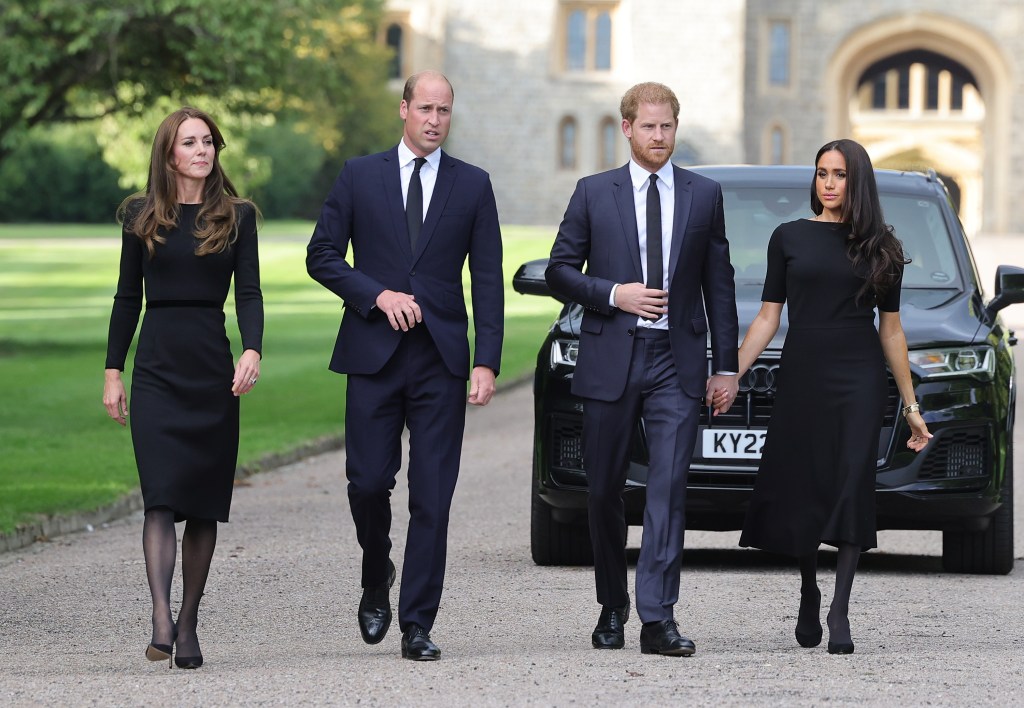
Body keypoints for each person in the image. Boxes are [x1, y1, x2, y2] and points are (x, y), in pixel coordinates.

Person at [306, 70, 503, 661]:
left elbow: (488, 280)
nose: (435, 120)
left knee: (433, 498)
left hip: (440, 360)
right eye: (425, 108)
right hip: (373, 355)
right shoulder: (359, 175)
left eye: (444, 110)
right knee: (368, 484)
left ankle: (417, 622)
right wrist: (376, 295)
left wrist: (486, 360)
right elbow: (321, 255)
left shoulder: (473, 185)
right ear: (404, 109)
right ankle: (376, 571)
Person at [545, 82, 739, 657]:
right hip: (611, 357)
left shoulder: (704, 195)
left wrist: (724, 367)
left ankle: (658, 617)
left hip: (675, 363)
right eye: (648, 126)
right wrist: (613, 294)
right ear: (626, 128)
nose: (659, 137)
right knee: (603, 489)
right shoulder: (592, 193)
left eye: (667, 127)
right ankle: (613, 603)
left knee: (668, 487)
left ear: (676, 128)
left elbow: (719, 286)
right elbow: (559, 270)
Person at [718, 139, 931, 654]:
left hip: (859, 376)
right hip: (804, 373)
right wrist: (729, 374)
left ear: (857, 181)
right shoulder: (788, 237)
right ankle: (809, 589)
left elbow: (892, 331)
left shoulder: (883, 246)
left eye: (839, 174)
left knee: (852, 479)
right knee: (808, 482)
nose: (829, 183)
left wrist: (911, 408)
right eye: (821, 173)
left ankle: (840, 607)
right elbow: (768, 317)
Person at [103, 107, 263, 669]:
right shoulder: (141, 216)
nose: (202, 150)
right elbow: (127, 298)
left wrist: (251, 348)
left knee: (201, 505)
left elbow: (250, 293)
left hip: (210, 370)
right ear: (169, 153)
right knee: (161, 496)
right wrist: (112, 371)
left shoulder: (238, 216)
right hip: (156, 369)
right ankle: (162, 618)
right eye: (190, 142)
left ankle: (189, 622)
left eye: (208, 142)